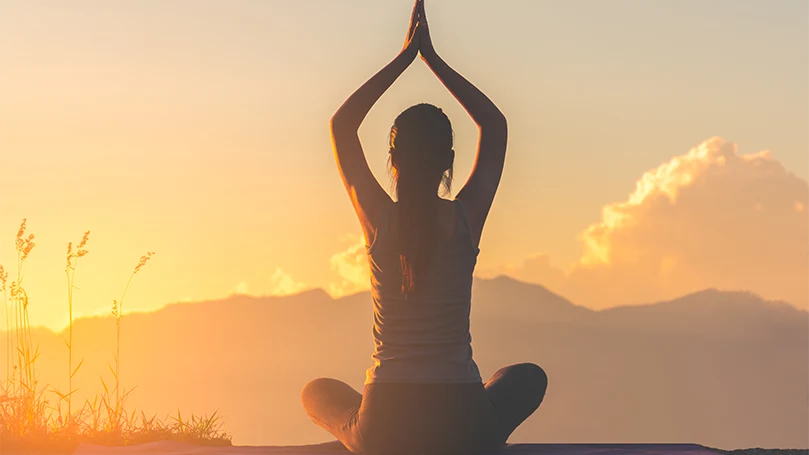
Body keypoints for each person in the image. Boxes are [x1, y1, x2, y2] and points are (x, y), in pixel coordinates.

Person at [302, 1, 547, 454]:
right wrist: (432, 59)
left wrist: (403, 57)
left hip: (384, 426)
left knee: (316, 393)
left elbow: (342, 125)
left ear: (392, 162)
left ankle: (362, 431)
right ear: (449, 162)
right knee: (527, 378)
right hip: (465, 424)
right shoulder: (464, 218)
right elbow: (494, 126)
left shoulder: (379, 218)